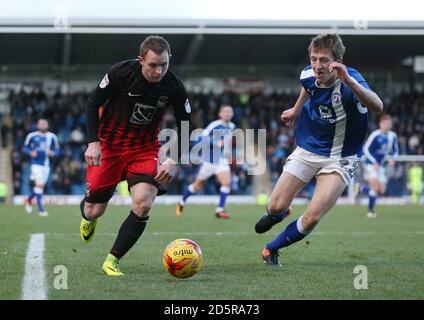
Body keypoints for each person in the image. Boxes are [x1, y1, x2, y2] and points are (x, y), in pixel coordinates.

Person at [254, 33, 383, 267]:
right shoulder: (307, 74)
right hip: (308, 149)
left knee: (313, 217)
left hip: (341, 157)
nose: (317, 65)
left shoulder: (352, 81)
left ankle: (271, 249)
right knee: (274, 206)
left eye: (324, 60)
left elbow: (377, 105)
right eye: (314, 59)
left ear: (338, 61)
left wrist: (350, 82)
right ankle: (281, 214)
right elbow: (308, 87)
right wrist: (295, 109)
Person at [80, 35, 191, 276]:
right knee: (93, 211)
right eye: (153, 65)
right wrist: (92, 142)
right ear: (141, 60)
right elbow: (92, 103)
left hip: (144, 150)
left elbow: (185, 123)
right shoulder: (122, 72)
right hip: (109, 148)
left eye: (164, 64)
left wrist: (174, 159)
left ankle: (112, 260)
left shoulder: (174, 85)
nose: (159, 71)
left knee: (143, 203)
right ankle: (89, 217)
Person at [176, 104, 235, 219]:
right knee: (197, 186)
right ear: (220, 114)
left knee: (227, 183)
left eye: (229, 111)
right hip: (210, 160)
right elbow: (202, 137)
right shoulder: (215, 125)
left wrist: (228, 154)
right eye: (225, 111)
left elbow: (227, 142)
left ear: (232, 114)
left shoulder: (232, 126)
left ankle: (219, 209)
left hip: (221, 160)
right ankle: (181, 202)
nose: (227, 113)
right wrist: (215, 143)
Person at [359, 114, 399, 218]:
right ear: (380, 124)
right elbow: (365, 149)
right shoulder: (375, 134)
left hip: (381, 166)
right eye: (385, 124)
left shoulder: (392, 136)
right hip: (370, 164)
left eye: (389, 124)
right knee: (375, 187)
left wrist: (393, 159)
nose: (387, 126)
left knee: (382, 190)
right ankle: (370, 211)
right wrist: (374, 161)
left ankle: (362, 188)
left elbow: (395, 150)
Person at [23, 118, 60, 217]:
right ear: (37, 125)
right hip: (35, 164)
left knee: (40, 187)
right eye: (41, 123)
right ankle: (41, 210)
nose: (43, 125)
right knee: (39, 185)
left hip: (46, 166)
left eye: (45, 123)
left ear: (47, 125)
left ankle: (29, 200)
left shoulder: (52, 136)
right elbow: (25, 147)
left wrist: (53, 153)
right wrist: (30, 152)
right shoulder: (32, 136)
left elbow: (57, 149)